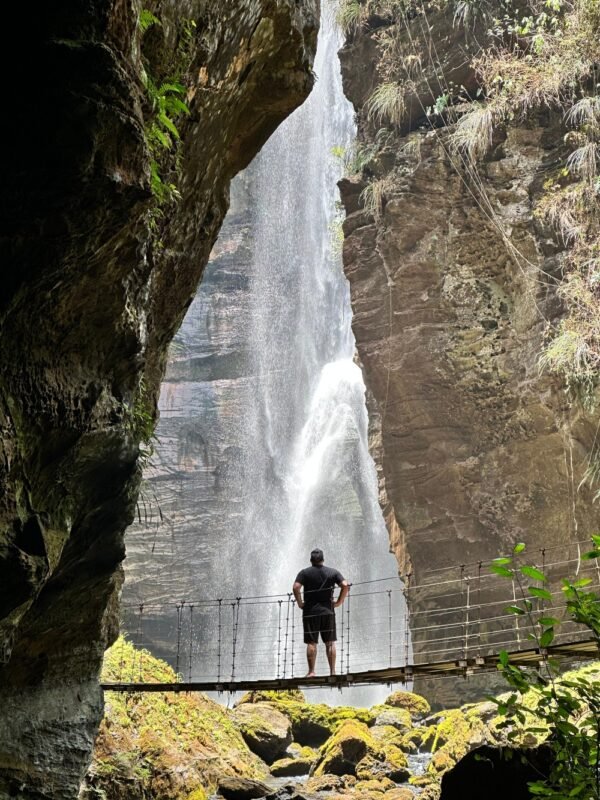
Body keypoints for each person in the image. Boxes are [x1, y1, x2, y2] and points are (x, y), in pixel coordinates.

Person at [293, 548, 349, 677]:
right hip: (328, 611)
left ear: (311, 560)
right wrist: (339, 602)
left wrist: (300, 602)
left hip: (310, 611)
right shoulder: (332, 572)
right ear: (323, 559)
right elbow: (345, 585)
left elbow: (296, 587)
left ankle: (312, 671)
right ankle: (333, 672)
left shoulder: (304, 573)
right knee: (330, 643)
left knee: (311, 643)